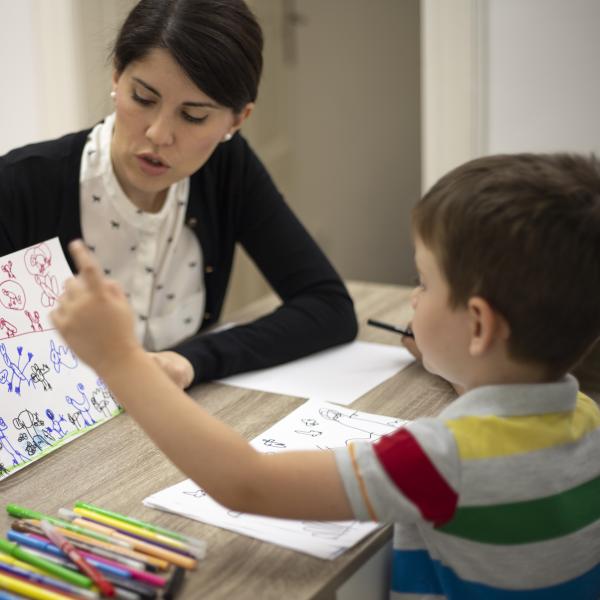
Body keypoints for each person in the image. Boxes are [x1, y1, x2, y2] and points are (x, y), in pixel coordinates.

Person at [52, 152, 600, 598]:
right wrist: (461, 366)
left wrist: (120, 360)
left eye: (424, 282)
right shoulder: (586, 420)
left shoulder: (441, 460)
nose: (413, 296)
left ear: (479, 326)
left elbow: (248, 483)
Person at [0, 0, 357, 388]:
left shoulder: (226, 168)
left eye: (193, 116)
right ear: (118, 76)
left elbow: (328, 306)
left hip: (177, 418)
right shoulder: (20, 186)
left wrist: (189, 361)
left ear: (237, 120)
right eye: (143, 98)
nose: (158, 134)